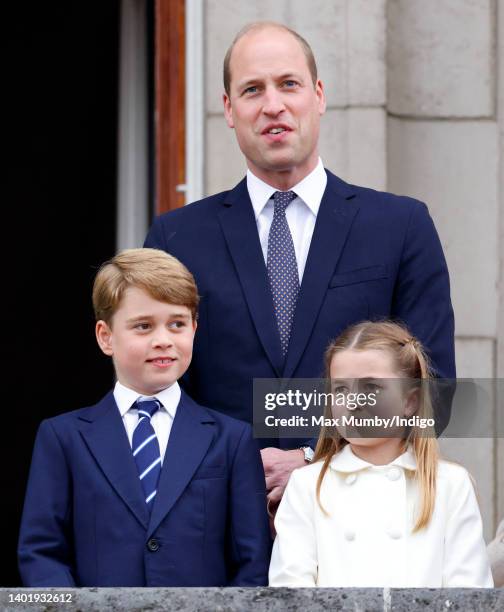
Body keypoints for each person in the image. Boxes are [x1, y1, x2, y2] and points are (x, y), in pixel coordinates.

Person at [144, 21, 455, 508]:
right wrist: (242, 470)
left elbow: (435, 394)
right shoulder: (177, 238)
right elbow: (156, 396)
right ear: (229, 109)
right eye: (252, 90)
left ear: (318, 95)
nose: (273, 105)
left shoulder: (400, 226)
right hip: (221, 528)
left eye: (288, 84)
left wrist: (317, 459)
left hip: (362, 518)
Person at [18, 248, 270, 587]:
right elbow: (42, 553)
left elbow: (252, 563)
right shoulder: (62, 438)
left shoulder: (231, 439)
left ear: (195, 328)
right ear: (105, 337)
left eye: (177, 324)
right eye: (143, 326)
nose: (163, 340)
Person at [268, 321, 492, 587]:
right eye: (341, 389)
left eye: (371, 388)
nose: (352, 402)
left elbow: (468, 595)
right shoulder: (306, 485)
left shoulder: (450, 484)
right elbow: (291, 591)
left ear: (410, 401)